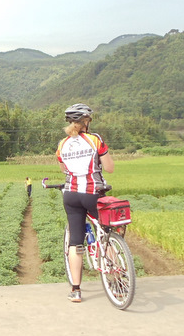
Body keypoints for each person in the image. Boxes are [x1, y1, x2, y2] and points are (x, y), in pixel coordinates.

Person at [55, 104, 114, 303]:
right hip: (92, 194)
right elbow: (110, 167)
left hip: (71, 195)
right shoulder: (95, 140)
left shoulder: (62, 144)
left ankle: (76, 290)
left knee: (75, 241)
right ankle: (115, 279)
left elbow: (64, 168)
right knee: (106, 231)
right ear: (86, 122)